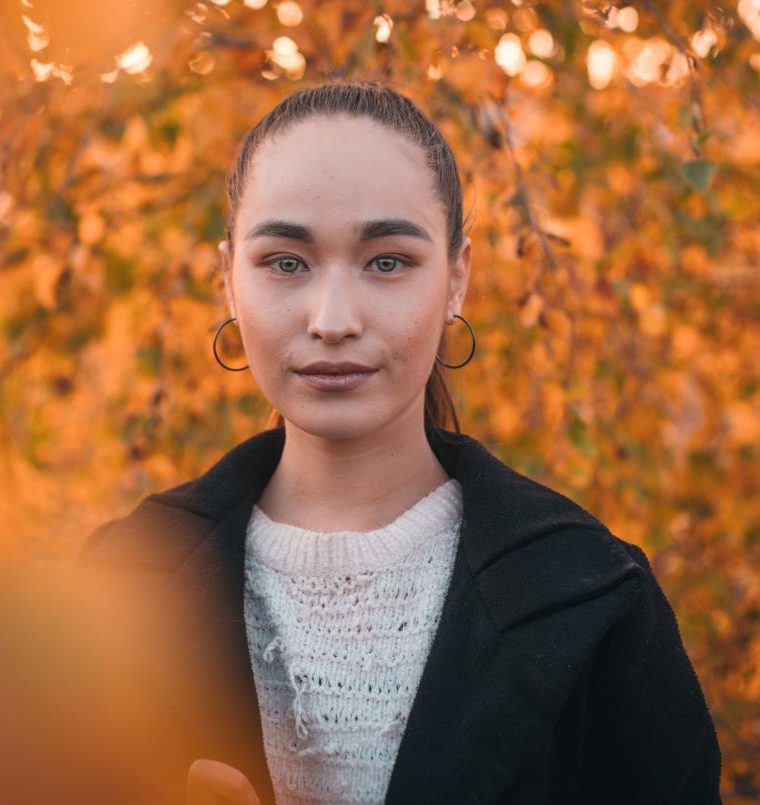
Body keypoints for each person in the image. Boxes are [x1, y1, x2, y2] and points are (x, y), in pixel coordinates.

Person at [76, 80, 723, 804]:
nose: (333, 318)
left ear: (457, 277)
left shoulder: (593, 595)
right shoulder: (117, 592)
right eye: (286, 262)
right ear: (228, 280)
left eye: (387, 261)